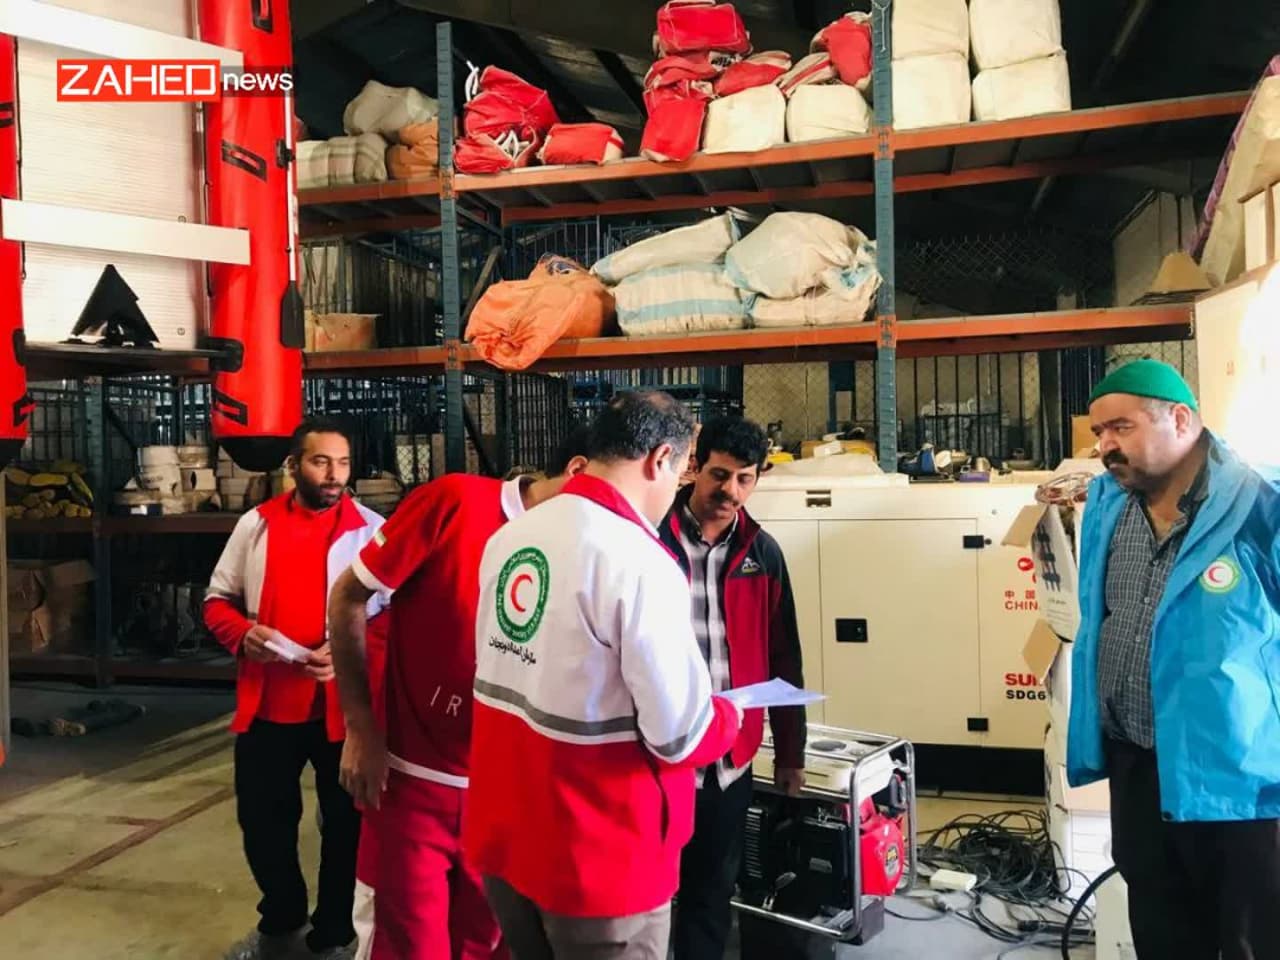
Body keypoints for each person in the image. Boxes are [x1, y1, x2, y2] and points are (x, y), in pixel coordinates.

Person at [466, 389, 745, 960]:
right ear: (659, 459)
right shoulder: (638, 561)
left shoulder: (511, 536)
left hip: (506, 839)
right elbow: (680, 734)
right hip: (599, 862)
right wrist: (729, 716)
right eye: (683, 471)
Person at [327, 427, 591, 960]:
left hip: (503, 799)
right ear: (579, 471)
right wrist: (360, 726)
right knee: (406, 944)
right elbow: (349, 597)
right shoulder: (455, 503)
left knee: (482, 943)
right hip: (411, 785)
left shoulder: (590, 550)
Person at [1066, 359, 1280, 960]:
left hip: (1236, 775)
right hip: (1137, 761)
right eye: (1099, 432)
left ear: (1181, 419)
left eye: (1122, 428)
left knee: (1252, 935)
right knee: (1160, 925)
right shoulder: (1108, 503)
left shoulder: (1261, 504)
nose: (1106, 446)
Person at [205, 417, 391, 960]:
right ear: (293, 466)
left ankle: (334, 932)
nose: (334, 475)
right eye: (320, 462)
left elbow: (395, 614)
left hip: (345, 710)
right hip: (270, 702)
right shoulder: (256, 526)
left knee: (347, 825)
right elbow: (216, 601)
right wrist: (244, 636)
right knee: (263, 822)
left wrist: (353, 648)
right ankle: (281, 917)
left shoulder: (373, 531)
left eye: (343, 463)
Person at [659, 415, 807, 960]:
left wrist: (790, 755)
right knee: (647, 893)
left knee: (711, 893)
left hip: (727, 761)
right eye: (720, 475)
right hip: (658, 755)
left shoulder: (762, 554)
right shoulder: (651, 540)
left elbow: (784, 658)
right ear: (695, 468)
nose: (731, 491)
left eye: (745, 479)